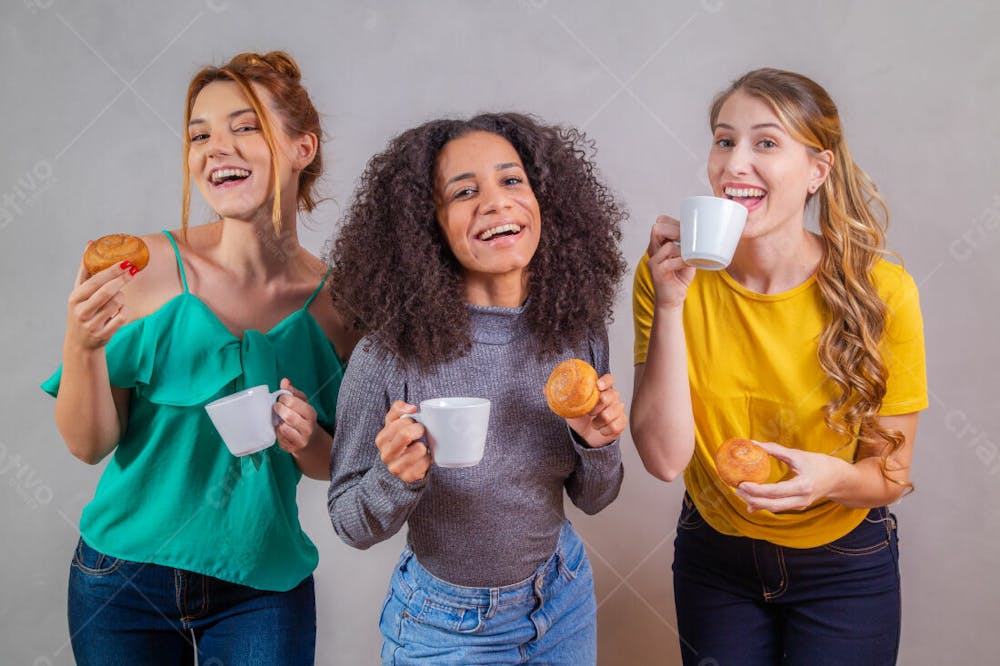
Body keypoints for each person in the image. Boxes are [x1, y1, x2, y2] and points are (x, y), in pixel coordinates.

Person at [42, 51, 358, 665]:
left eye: (245, 127)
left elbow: (332, 464)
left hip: (263, 583)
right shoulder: (141, 269)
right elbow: (88, 445)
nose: (216, 148)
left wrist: (303, 441)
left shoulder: (339, 308)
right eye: (199, 135)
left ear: (302, 148)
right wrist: (80, 344)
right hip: (122, 580)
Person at [631, 68, 928, 665]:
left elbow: (889, 477)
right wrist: (669, 303)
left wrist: (834, 481)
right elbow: (664, 461)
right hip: (714, 559)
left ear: (817, 170)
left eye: (766, 142)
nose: (735, 163)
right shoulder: (669, 279)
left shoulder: (882, 291)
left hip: (844, 564)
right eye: (724, 140)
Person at [326, 112, 628, 665]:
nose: (495, 202)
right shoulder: (388, 355)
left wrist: (597, 442)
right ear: (427, 226)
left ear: (545, 200)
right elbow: (349, 522)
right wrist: (394, 477)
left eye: (512, 180)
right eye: (465, 192)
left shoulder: (576, 332)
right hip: (445, 627)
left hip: (561, 600)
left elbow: (595, 497)